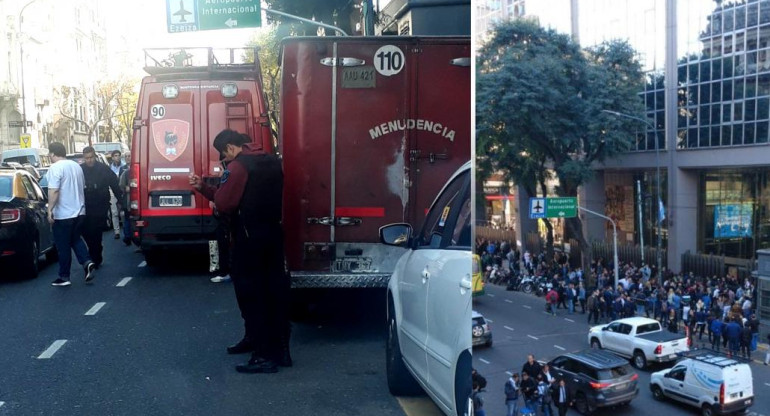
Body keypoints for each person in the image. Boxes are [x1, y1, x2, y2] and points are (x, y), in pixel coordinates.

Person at [190, 129, 290, 373]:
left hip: (247, 238)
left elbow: (225, 202)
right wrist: (206, 187)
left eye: (223, 154)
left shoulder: (238, 167)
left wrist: (203, 189)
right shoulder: (271, 161)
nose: (225, 158)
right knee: (273, 293)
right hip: (273, 235)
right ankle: (280, 350)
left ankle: (263, 355)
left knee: (252, 296)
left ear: (229, 148)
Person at [46, 142, 96, 286]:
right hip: (80, 211)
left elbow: (54, 190)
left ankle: (64, 276)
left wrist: (50, 210)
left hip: (63, 214)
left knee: (63, 246)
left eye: (50, 154)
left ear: (53, 154)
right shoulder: (76, 166)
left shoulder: (55, 168)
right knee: (75, 239)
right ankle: (87, 261)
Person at [80, 146, 122, 267]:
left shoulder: (103, 169)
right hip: (85, 206)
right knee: (86, 232)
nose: (89, 160)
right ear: (84, 158)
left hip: (100, 206)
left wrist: (121, 201)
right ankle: (94, 250)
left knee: (96, 232)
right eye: (87, 158)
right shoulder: (80, 170)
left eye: (91, 157)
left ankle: (95, 256)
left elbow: (114, 184)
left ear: (95, 156)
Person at [108, 150, 126, 239]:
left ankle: (126, 230)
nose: (117, 157)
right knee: (114, 212)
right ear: (112, 157)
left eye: (118, 155)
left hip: (122, 190)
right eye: (115, 155)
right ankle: (117, 231)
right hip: (112, 190)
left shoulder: (124, 166)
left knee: (123, 211)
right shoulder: (110, 167)